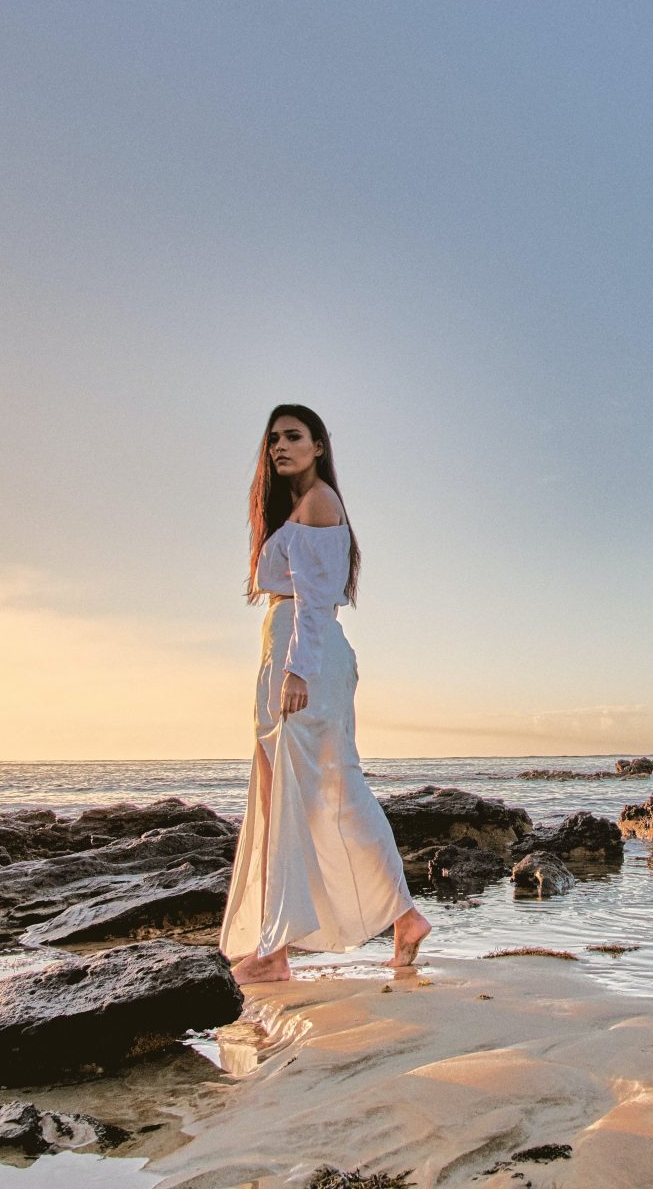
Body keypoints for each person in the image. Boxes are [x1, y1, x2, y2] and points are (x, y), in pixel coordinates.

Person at [219, 403, 433, 984]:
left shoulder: (318, 504)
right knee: (279, 792)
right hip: (285, 652)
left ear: (319, 445)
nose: (280, 447)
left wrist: (297, 672)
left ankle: (280, 947)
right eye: (272, 440)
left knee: (328, 788)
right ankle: (379, 922)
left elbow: (314, 603)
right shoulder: (295, 509)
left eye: (293, 437)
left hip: (303, 657)